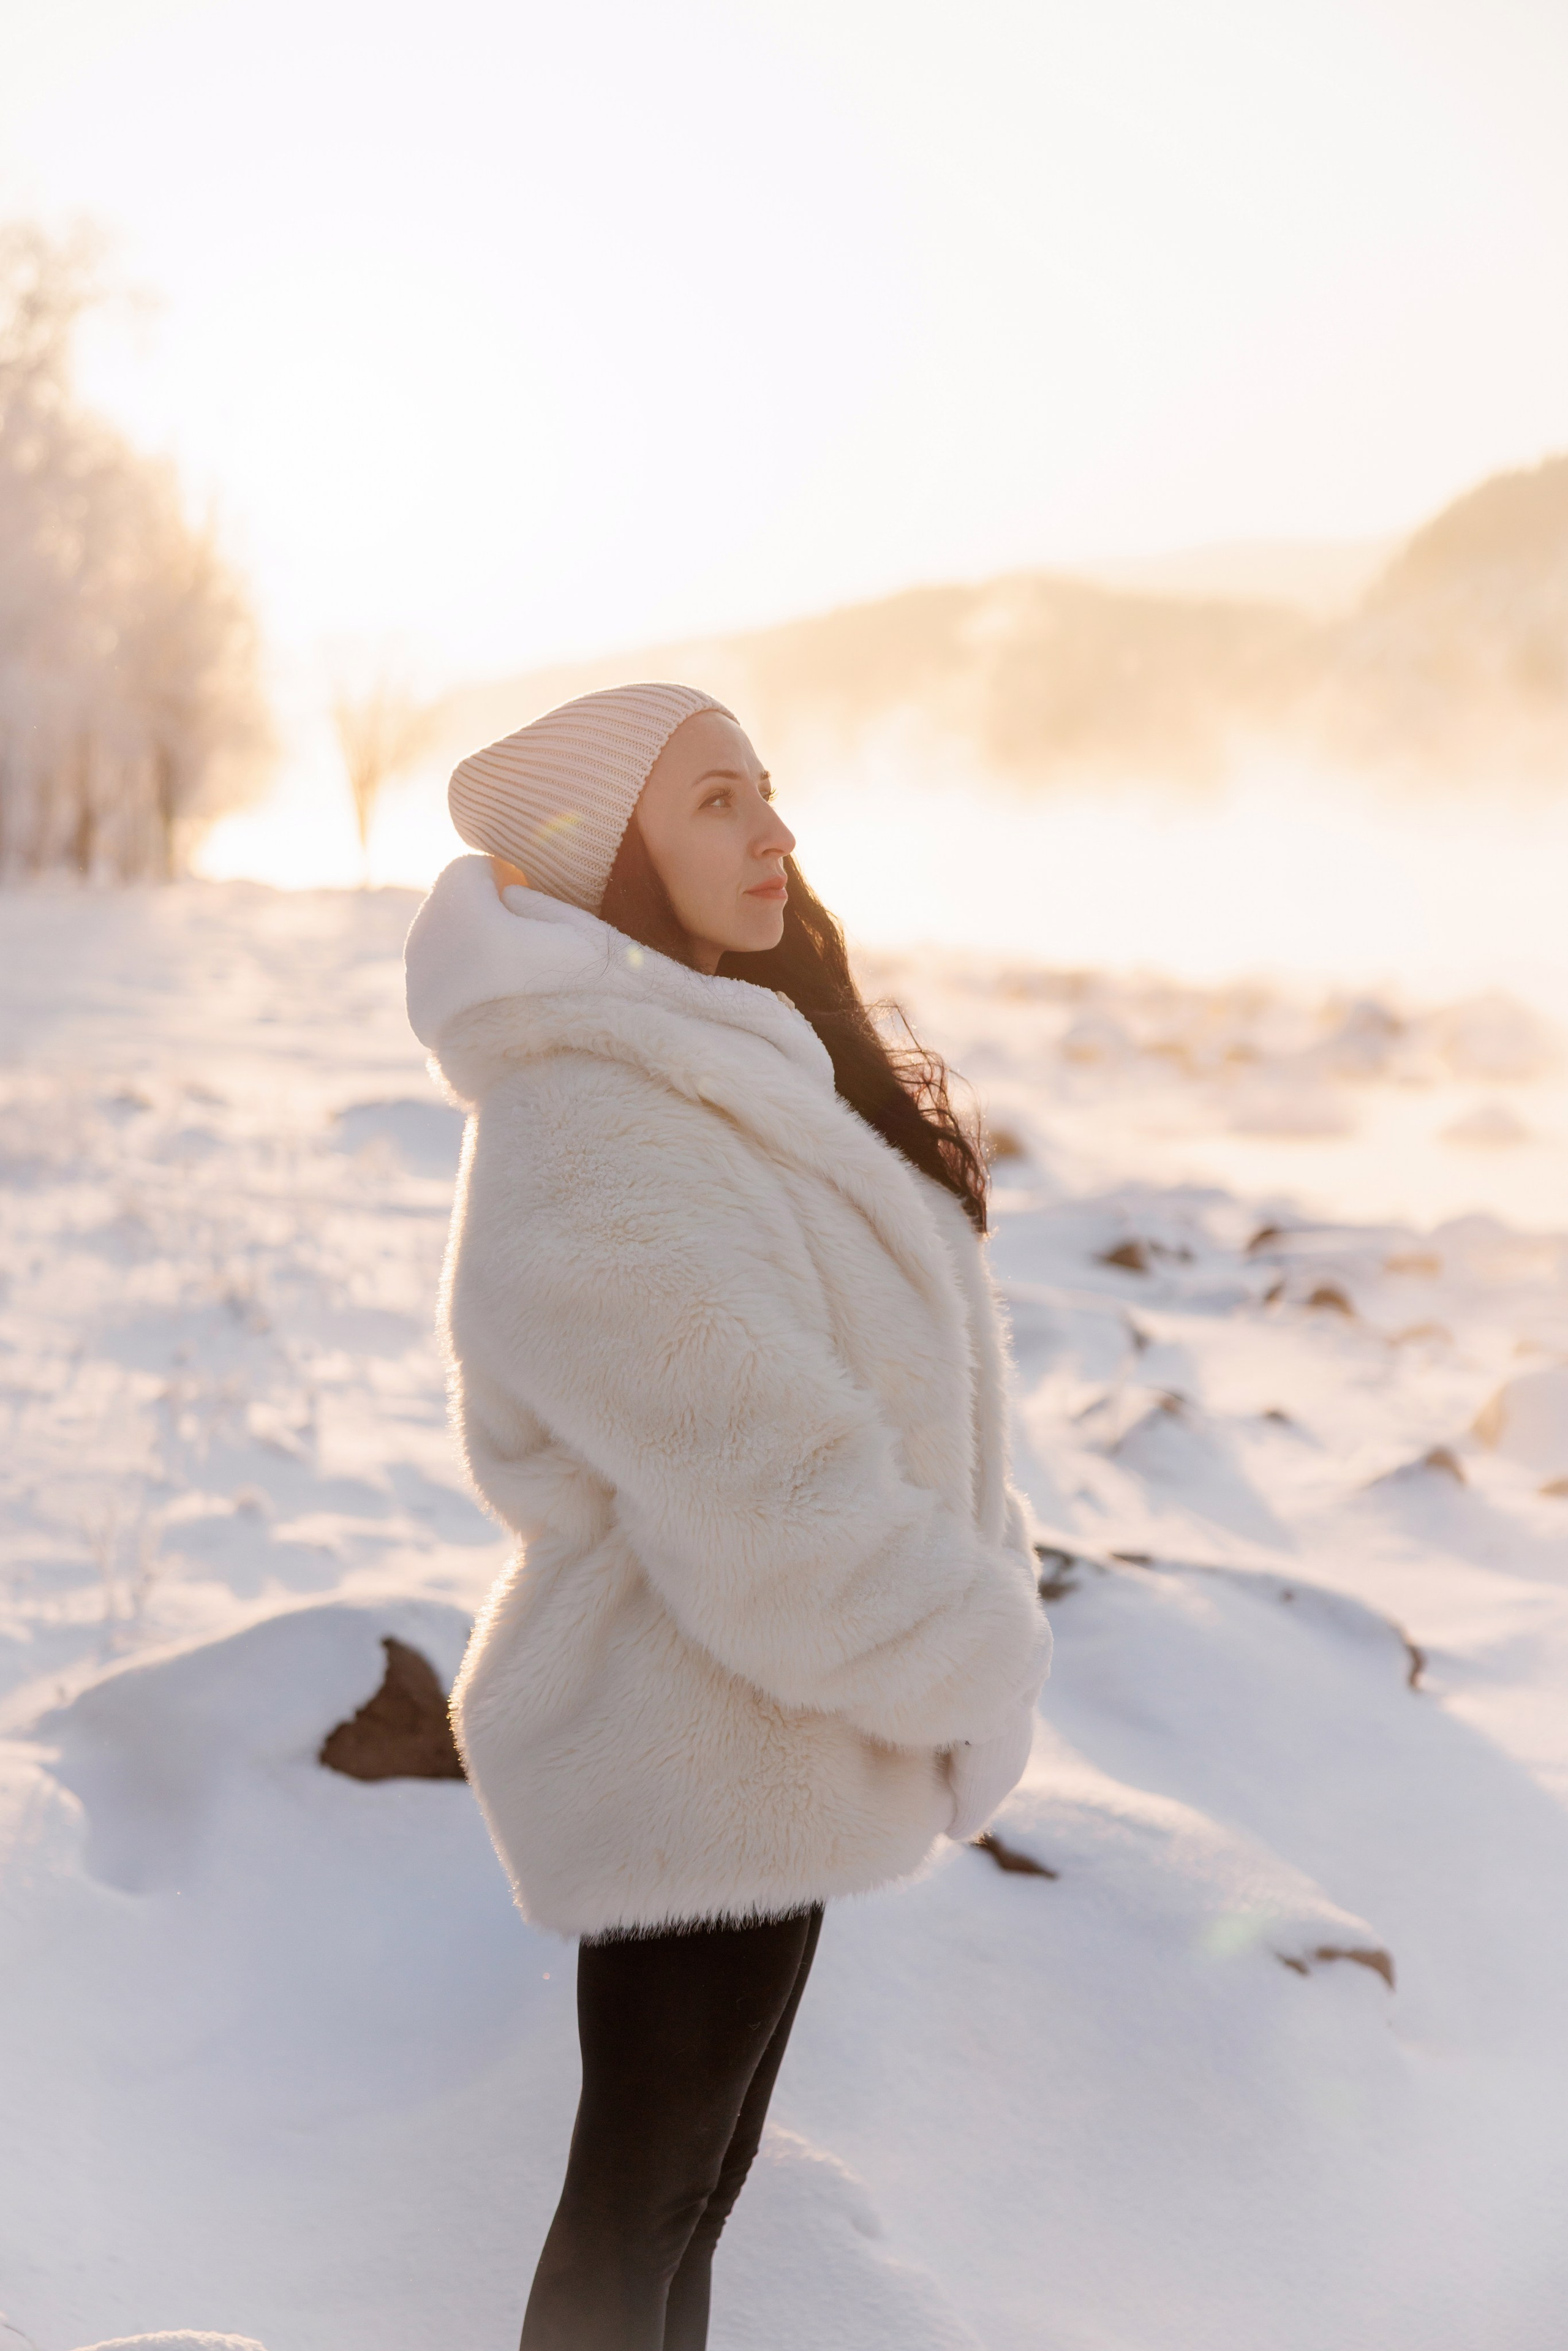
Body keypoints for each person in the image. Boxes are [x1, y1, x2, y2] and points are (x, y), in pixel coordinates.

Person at [404, 682, 1050, 2351]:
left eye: (769, 791)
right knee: (635, 2221)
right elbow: (768, 1486)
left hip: (769, 1732)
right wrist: (971, 1667)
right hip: (687, 1740)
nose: (771, 832)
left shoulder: (709, 1062)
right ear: (612, 853)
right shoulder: (590, 1121)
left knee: (679, 2211)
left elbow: (858, 1387)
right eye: (714, 802)